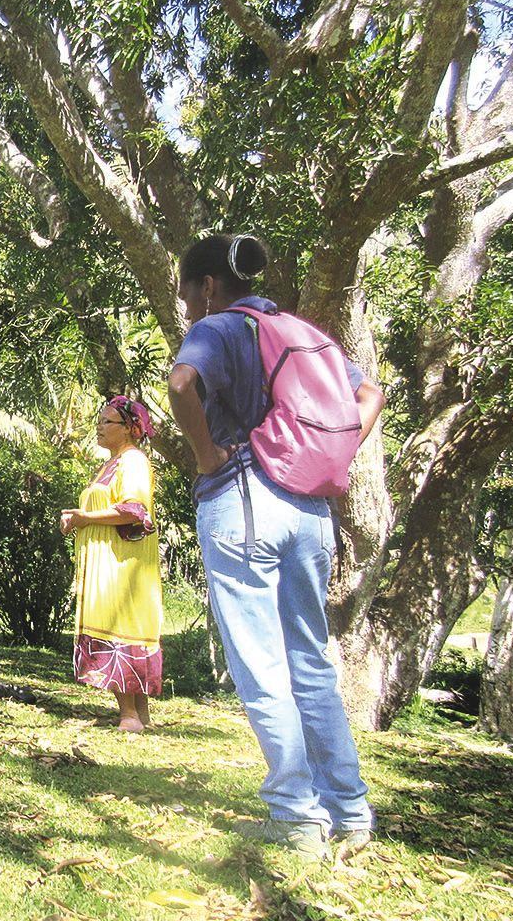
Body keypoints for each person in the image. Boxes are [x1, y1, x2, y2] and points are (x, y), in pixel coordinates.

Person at [168, 233, 384, 861]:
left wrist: (207, 455)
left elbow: (183, 384)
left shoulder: (221, 326)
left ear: (209, 285)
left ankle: (295, 818)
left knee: (261, 666)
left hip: (244, 501)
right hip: (311, 511)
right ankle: (349, 811)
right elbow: (371, 395)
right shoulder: (300, 330)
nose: (185, 305)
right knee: (311, 663)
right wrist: (336, 453)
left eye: (187, 291)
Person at [60, 397, 165, 733]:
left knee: (121, 627)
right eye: (100, 421)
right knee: (121, 626)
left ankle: (129, 715)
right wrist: (78, 521)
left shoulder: (132, 461)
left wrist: (84, 518)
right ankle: (139, 713)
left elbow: (135, 511)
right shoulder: (111, 463)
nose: (100, 427)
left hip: (122, 566)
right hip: (108, 562)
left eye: (108, 422)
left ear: (130, 429)